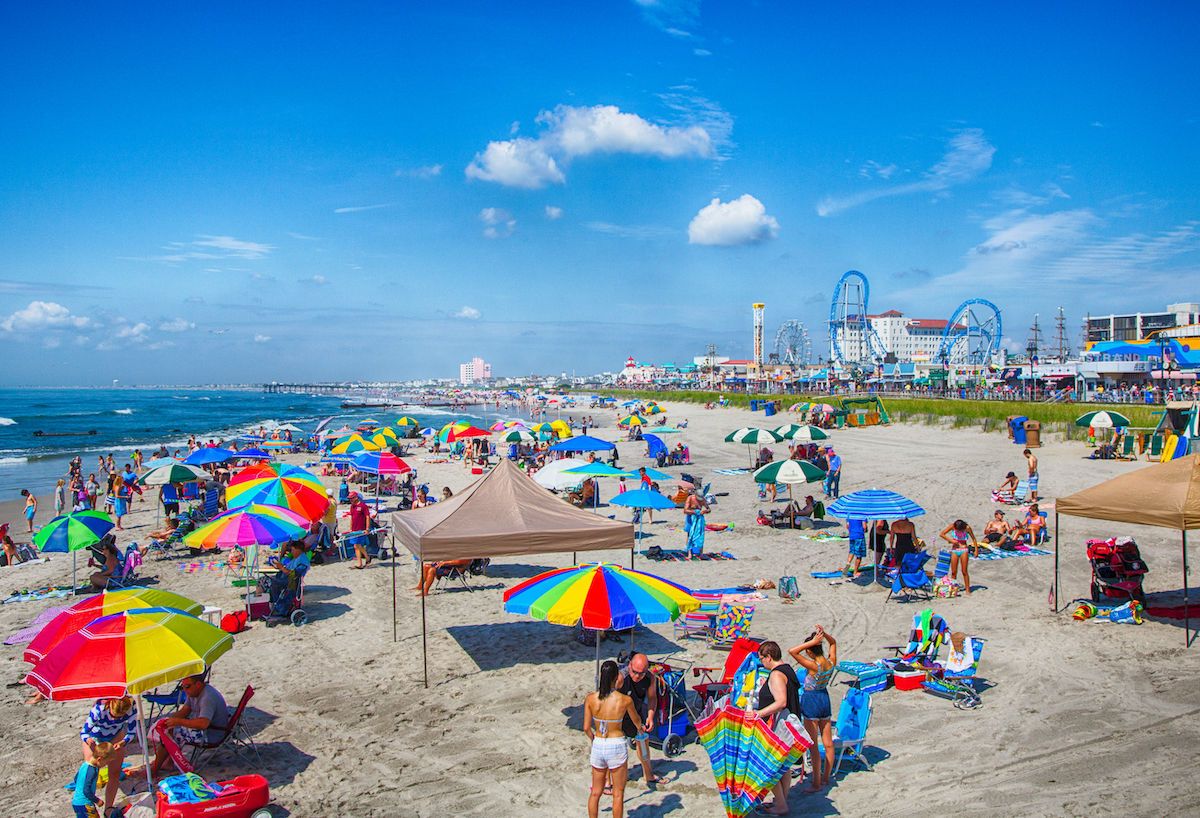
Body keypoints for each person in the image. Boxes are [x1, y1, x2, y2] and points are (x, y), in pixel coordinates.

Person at [583, 660, 643, 818]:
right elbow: (636, 720)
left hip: (599, 743)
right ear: (616, 677)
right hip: (615, 743)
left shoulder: (591, 698)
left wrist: (594, 740)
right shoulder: (624, 700)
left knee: (595, 792)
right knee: (618, 793)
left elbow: (586, 728)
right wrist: (641, 730)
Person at [753, 640, 802, 815]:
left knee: (769, 767)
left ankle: (781, 805)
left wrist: (758, 714)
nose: (761, 662)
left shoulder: (776, 674)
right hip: (787, 726)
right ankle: (781, 800)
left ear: (769, 657)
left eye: (762, 658)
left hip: (777, 727)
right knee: (783, 767)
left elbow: (781, 702)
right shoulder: (788, 669)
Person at [788, 625, 838, 793]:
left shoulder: (813, 665)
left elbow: (792, 651)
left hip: (811, 700)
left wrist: (814, 641)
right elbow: (833, 643)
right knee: (828, 743)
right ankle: (826, 778)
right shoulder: (831, 663)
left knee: (813, 746)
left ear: (809, 651)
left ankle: (816, 783)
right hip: (824, 698)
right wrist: (824, 636)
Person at [148, 674, 228, 776]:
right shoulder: (194, 692)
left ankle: (155, 769)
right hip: (206, 729)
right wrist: (168, 720)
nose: (185, 690)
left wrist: (177, 722)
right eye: (183, 687)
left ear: (198, 684)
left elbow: (203, 723)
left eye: (187, 687)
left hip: (211, 734)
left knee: (170, 733)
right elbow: (185, 710)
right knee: (168, 728)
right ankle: (167, 762)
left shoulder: (207, 697)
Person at [78, 696, 135, 816]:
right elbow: (84, 732)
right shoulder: (99, 709)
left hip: (115, 736)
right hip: (94, 736)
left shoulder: (131, 708)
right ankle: (89, 804)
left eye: (119, 718)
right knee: (91, 771)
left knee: (114, 773)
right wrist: (88, 740)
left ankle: (108, 808)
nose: (115, 719)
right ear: (110, 705)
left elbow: (131, 732)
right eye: (114, 716)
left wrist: (123, 742)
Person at [618, 653, 663, 786]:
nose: (637, 676)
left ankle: (648, 775)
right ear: (629, 665)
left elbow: (652, 698)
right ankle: (610, 779)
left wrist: (650, 716)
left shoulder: (650, 678)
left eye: (641, 673)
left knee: (643, 740)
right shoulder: (621, 677)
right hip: (618, 715)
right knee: (617, 746)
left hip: (635, 714)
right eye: (635, 672)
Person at [73, 738, 122, 818]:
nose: (106, 765)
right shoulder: (92, 771)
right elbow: (86, 790)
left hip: (76, 802)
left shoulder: (84, 765)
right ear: (99, 759)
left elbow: (76, 779)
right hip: (85, 803)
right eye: (106, 762)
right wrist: (97, 800)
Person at [266, 540, 310, 622]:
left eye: (292, 550)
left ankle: (280, 609)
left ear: (298, 550)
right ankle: (272, 606)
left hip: (291, 583)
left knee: (271, 583)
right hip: (286, 579)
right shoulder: (297, 559)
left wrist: (281, 567)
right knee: (266, 581)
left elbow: (294, 574)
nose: (291, 552)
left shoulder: (303, 561)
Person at [939, 519, 978, 594]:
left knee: (964, 571)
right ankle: (953, 589)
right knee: (953, 572)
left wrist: (976, 550)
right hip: (955, 549)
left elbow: (973, 538)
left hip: (964, 549)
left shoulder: (967, 528)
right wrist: (951, 540)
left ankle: (967, 589)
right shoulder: (953, 526)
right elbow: (942, 534)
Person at [347, 491, 372, 569]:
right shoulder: (352, 506)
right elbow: (352, 517)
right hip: (354, 529)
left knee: (356, 545)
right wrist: (350, 528)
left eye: (352, 498)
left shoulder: (363, 506)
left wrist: (367, 528)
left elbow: (367, 517)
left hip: (361, 529)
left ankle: (360, 563)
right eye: (350, 498)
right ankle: (367, 558)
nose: (350, 500)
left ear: (356, 497)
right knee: (358, 546)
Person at [683, 486, 708, 560]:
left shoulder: (702, 499)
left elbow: (708, 508)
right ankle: (689, 553)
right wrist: (695, 512)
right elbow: (685, 510)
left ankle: (701, 553)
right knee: (690, 534)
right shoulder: (690, 498)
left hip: (699, 518)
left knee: (701, 534)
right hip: (691, 517)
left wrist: (704, 511)